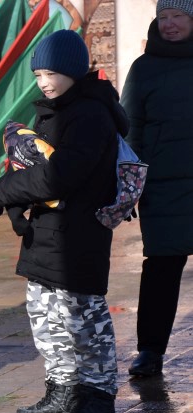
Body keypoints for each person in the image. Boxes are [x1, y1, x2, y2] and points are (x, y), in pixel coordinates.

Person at [0, 29, 129, 413]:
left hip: (79, 234)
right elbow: (38, 165)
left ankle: (97, 399)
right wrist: (19, 203)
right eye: (37, 76)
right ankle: (63, 389)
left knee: (83, 319)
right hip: (47, 233)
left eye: (51, 73)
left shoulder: (89, 114)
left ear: (73, 70)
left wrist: (7, 190)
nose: (44, 82)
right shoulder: (55, 109)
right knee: (47, 316)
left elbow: (62, 175)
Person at [120, 0, 193, 377]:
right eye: (163, 17)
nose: (169, 24)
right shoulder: (143, 68)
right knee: (162, 267)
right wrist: (129, 182)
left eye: (178, 16)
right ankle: (150, 350)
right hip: (162, 186)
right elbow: (129, 127)